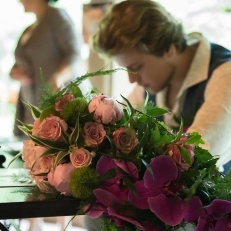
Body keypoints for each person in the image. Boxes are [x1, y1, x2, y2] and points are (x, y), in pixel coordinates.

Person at [84, 0, 231, 230]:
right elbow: (121, 123)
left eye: (137, 67)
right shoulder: (154, 79)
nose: (133, 79)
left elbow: (198, 152)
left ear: (169, 48)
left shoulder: (225, 75)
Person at [9, 0, 84, 138]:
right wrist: (15, 72)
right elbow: (24, 61)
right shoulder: (30, 28)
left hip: (56, 99)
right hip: (32, 102)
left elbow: (74, 54)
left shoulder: (56, 16)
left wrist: (58, 77)